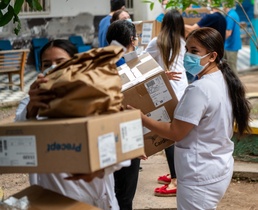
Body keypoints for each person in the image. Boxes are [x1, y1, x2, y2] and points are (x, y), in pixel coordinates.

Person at [136, 27, 251, 209]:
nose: (188, 56)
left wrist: (140, 117)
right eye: (187, 50)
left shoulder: (199, 89)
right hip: (215, 166)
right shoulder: (221, 79)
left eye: (195, 51)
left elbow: (176, 132)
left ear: (212, 56)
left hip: (199, 175)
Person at [15, 39, 130, 210]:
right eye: (47, 64)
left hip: (95, 197)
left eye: (60, 62)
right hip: (55, 198)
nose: (53, 67)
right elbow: (17, 139)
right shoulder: (30, 102)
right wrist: (33, 105)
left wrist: (101, 169)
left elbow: (121, 144)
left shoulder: (95, 98)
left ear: (76, 64)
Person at [143, 9, 188, 196]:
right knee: (178, 135)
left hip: (165, 92)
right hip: (183, 89)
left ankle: (176, 179)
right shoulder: (183, 42)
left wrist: (161, 73)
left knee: (169, 138)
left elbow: (142, 61)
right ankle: (177, 174)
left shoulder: (157, 41)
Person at [106, 20, 140, 210]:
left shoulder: (101, 61)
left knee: (111, 189)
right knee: (125, 195)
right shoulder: (124, 65)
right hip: (126, 135)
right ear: (131, 40)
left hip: (104, 134)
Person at [224, 6, 242, 75]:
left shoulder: (230, 16)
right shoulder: (234, 13)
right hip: (233, 44)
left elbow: (228, 33)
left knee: (232, 69)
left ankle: (237, 85)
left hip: (230, 46)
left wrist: (220, 41)